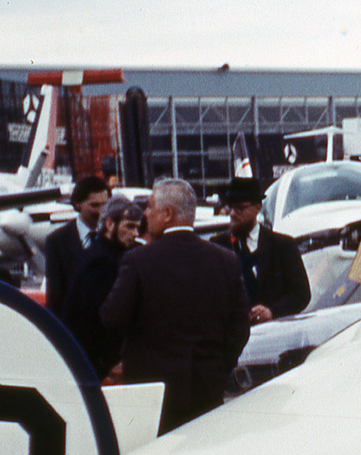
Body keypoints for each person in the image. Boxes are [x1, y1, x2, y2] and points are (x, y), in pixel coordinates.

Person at [100, 179, 250, 434]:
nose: (145, 214)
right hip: (208, 387)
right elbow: (240, 327)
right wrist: (219, 366)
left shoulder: (137, 260)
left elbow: (111, 317)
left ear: (167, 213)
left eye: (150, 207)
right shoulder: (226, 260)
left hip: (152, 392)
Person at [210, 177, 311, 324]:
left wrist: (272, 311)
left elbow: (301, 294)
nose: (232, 214)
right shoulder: (217, 246)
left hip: (274, 334)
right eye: (229, 208)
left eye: (239, 208)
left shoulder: (283, 245)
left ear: (257, 208)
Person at [62, 197, 143, 378]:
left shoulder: (97, 253)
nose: (135, 233)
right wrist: (107, 363)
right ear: (109, 224)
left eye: (137, 227)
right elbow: (95, 319)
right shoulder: (104, 261)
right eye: (129, 226)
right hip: (94, 364)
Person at [44, 175, 110, 314]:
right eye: (94, 205)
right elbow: (55, 296)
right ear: (77, 204)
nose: (101, 211)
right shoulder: (57, 242)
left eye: (105, 205)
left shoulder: (115, 238)